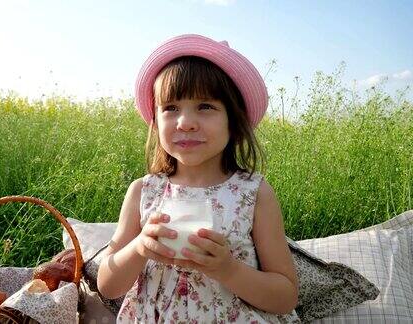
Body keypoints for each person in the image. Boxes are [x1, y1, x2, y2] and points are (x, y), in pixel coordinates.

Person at [96, 34, 300, 323]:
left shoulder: (253, 193)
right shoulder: (144, 191)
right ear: (156, 121)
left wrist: (228, 269)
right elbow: (107, 284)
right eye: (171, 108)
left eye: (205, 106)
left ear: (234, 119)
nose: (186, 122)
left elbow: (285, 296)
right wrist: (140, 247)